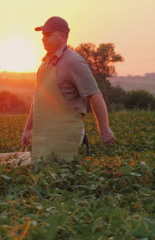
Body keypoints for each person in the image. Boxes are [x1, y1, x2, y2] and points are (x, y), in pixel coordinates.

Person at [21, 17, 116, 162]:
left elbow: (94, 94)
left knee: (61, 177)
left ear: (63, 36)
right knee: (44, 178)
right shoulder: (45, 62)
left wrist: (104, 129)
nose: (43, 39)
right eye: (42, 35)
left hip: (66, 135)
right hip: (46, 135)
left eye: (48, 34)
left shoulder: (74, 62)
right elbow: (39, 98)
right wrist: (28, 128)